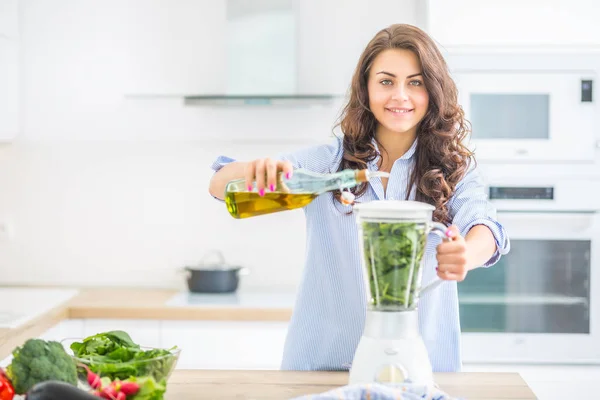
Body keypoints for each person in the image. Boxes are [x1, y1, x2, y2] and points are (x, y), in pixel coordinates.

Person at [208, 23, 510, 372]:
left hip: (421, 368)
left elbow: (485, 226)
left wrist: (466, 254)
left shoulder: (454, 169)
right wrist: (256, 170)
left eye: (415, 82)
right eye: (386, 81)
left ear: (434, 90)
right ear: (366, 89)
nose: (400, 95)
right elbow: (219, 185)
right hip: (322, 365)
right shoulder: (328, 163)